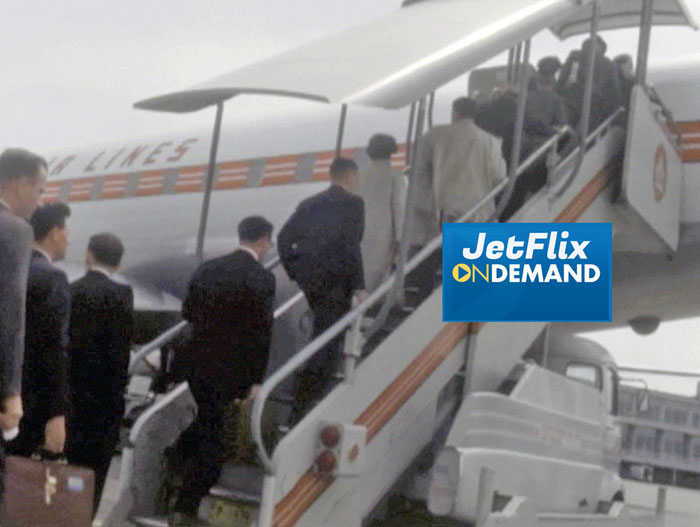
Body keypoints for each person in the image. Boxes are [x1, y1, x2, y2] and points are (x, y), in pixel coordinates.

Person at [169, 216, 275, 527]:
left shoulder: (208, 269)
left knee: (206, 421)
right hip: (232, 373)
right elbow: (262, 334)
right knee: (216, 444)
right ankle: (185, 506)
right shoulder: (261, 279)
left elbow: (188, 312)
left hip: (197, 366)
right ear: (264, 240)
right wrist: (257, 378)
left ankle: (177, 454)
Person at [278, 157, 365, 423]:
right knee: (328, 342)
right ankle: (306, 403)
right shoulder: (353, 204)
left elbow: (284, 238)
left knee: (322, 335)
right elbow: (351, 246)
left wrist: (296, 270)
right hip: (337, 282)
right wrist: (359, 285)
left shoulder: (310, 204)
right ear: (350, 176)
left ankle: (303, 399)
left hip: (312, 282)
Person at [67, 233, 134, 516]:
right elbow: (121, 354)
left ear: (88, 256)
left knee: (62, 470)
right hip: (104, 403)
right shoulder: (122, 295)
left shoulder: (71, 290)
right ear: (118, 264)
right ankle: (85, 517)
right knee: (94, 474)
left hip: (69, 397)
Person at [7, 202, 71, 458]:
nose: (69, 239)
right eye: (67, 231)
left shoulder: (11, 267)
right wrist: (57, 413)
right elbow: (55, 350)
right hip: (29, 404)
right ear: (55, 232)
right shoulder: (52, 278)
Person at [0, 148, 47, 497]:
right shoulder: (14, 230)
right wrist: (11, 392)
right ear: (16, 184)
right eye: (39, 189)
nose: (40, 201)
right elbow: (10, 315)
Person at [357, 134, 407, 292]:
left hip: (361, 231)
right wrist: (401, 237)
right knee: (382, 273)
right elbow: (399, 207)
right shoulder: (395, 175)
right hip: (384, 233)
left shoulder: (360, 175)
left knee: (365, 273)